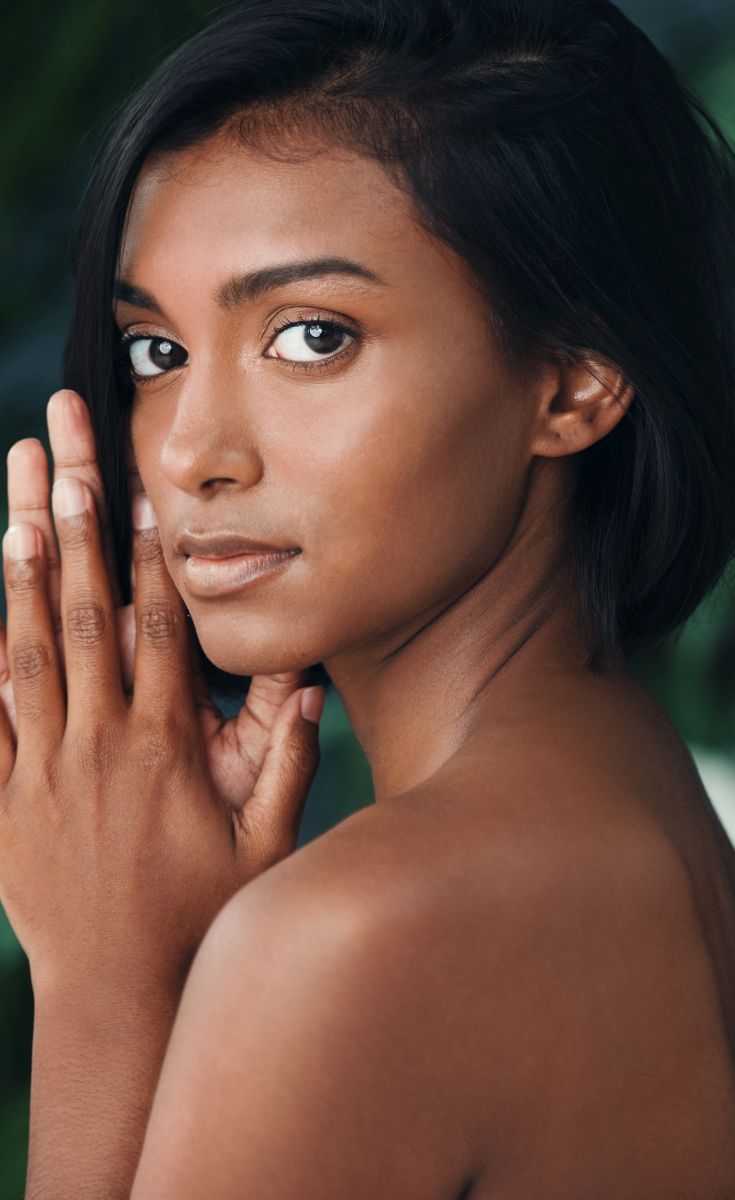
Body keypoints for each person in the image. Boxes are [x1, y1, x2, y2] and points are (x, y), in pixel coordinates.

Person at [1, 0, 734, 1195]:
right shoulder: (640, 812)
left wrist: (100, 989)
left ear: (577, 382)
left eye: (308, 337)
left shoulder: (365, 932)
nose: (190, 451)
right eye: (155, 352)